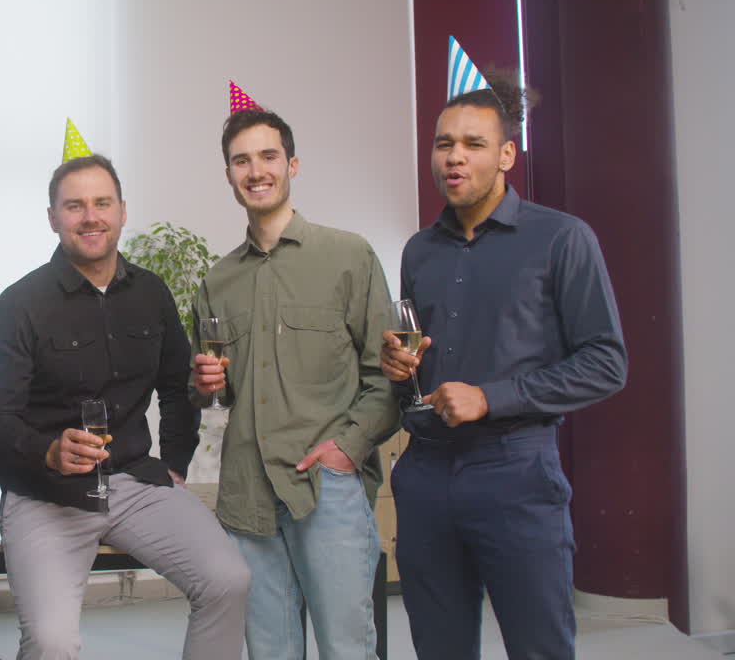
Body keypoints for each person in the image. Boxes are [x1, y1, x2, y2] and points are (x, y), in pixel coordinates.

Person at [379, 70, 627, 659]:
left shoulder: (562, 239)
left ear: (507, 154)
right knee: (439, 648)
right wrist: (400, 367)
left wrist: (493, 397)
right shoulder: (420, 250)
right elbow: (419, 363)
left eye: (473, 144)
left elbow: (606, 362)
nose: (454, 158)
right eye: (444, 144)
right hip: (426, 472)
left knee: (538, 647)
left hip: (515, 473)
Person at [0, 152, 250, 660]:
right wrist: (48, 451)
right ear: (53, 218)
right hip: (44, 496)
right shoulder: (17, 305)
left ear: (123, 211)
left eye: (102, 203)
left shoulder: (151, 293)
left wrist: (173, 465)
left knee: (228, 581)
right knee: (52, 643)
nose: (91, 216)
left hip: (135, 484)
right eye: (75, 206)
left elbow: (176, 387)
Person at [191, 106, 398, 660]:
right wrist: (205, 383)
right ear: (229, 174)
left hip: (324, 486)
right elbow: (217, 392)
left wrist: (345, 451)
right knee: (269, 651)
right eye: (241, 160)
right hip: (248, 494)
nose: (255, 170)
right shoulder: (217, 281)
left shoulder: (348, 256)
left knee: (346, 647)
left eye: (268, 156)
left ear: (292, 164)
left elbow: (388, 377)